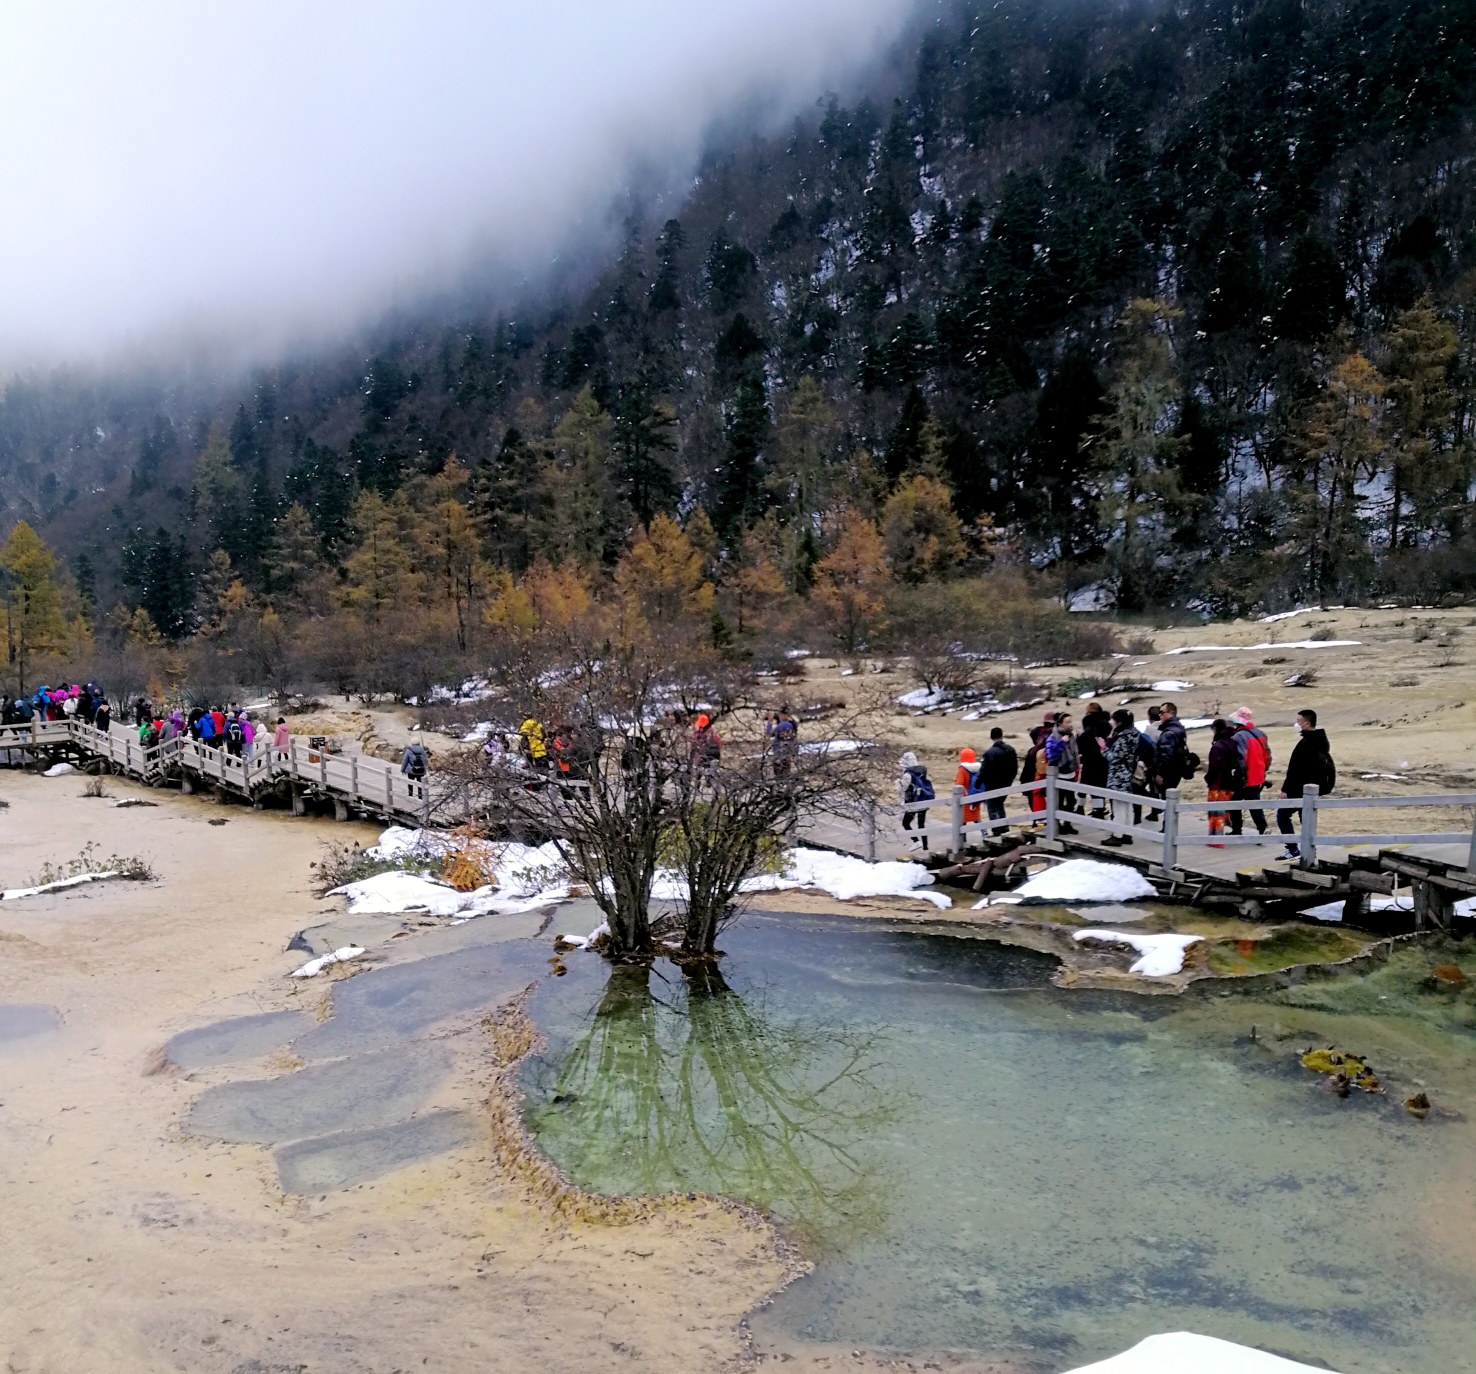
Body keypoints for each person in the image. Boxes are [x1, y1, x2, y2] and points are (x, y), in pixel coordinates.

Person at [1277, 709, 1335, 860]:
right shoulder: (1320, 740)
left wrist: (1285, 789)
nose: (1296, 724)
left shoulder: (1306, 744)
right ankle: (1309, 852)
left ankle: (1292, 849)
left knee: (1283, 815)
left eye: (1299, 721)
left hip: (1299, 788)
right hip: (1312, 788)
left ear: (1307, 724)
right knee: (1307, 819)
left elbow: (1295, 769)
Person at [1227, 706, 1272, 837]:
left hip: (1246, 777)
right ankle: (1263, 829)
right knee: (1254, 803)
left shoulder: (1238, 736)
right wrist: (1263, 770)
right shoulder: (1260, 734)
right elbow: (1267, 755)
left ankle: (1237, 830)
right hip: (1258, 776)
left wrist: (1237, 775)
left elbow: (1241, 757)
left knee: (1235, 803)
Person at [1101, 709, 1143, 845]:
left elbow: (1114, 758)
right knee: (1127, 804)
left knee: (1118, 805)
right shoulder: (1134, 734)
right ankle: (1127, 833)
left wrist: (1103, 748)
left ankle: (1117, 835)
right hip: (1128, 772)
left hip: (1118, 775)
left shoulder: (1122, 737)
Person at [1204, 718, 1238, 847]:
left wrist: (1209, 779)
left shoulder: (1218, 746)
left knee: (1214, 812)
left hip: (1217, 784)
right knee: (1222, 812)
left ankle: (1216, 839)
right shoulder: (1232, 743)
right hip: (1229, 782)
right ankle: (1217, 837)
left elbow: (1214, 767)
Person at [1044, 713, 1080, 834]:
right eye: (1067, 722)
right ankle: (1057, 824)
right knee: (1058, 801)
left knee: (1071, 801)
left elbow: (1075, 752)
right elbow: (1050, 755)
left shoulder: (1072, 736)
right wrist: (1061, 743)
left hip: (1071, 773)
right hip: (1058, 774)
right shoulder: (1053, 737)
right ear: (1060, 724)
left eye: (1070, 722)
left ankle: (1067, 824)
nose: (1069, 725)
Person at [980, 727, 1018, 834]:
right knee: (1000, 804)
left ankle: (996, 829)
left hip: (992, 784)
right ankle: (1004, 827)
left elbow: (984, 770)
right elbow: (1014, 768)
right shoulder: (1010, 750)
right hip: (1006, 783)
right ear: (1002, 735)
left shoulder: (989, 753)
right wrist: (1010, 780)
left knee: (992, 807)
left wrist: (978, 783)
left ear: (991, 737)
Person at [1078, 702, 1111, 818]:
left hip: (1090, 760)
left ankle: (1080, 808)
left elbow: (1083, 744)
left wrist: (1080, 737)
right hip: (1103, 760)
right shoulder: (1107, 726)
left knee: (1083, 786)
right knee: (1100, 787)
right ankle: (1099, 810)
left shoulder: (1089, 727)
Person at [898, 750, 934, 850]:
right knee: (921, 824)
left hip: (913, 802)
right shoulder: (922, 770)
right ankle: (926, 847)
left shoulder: (907, 774)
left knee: (905, 823)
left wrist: (898, 783)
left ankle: (916, 841)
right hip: (924, 799)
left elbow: (903, 788)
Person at [1153, 701, 1189, 798]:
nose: (1159, 715)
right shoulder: (1178, 729)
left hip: (1168, 774)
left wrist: (1160, 774)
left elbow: (1167, 755)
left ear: (1171, 713)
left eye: (1162, 712)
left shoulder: (1169, 733)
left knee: (1166, 800)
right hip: (1175, 772)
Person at [1020, 727, 1048, 819]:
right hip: (1040, 783)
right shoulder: (1041, 751)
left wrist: (1024, 783)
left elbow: (1027, 770)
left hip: (1034, 783)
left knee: (1037, 807)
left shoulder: (1034, 752)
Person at [955, 748, 982, 826]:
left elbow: (959, 784)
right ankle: (985, 833)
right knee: (976, 818)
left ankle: (963, 837)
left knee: (963, 820)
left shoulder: (962, 769)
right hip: (975, 794)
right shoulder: (979, 768)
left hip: (965, 797)